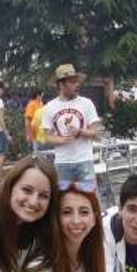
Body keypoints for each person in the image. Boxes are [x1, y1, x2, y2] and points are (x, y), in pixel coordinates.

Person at [20, 186, 107, 272]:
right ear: (55, 219)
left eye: (84, 212)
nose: (76, 220)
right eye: (67, 212)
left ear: (94, 219)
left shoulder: (93, 259)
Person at [41, 64, 101, 197]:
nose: (77, 84)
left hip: (84, 161)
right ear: (61, 84)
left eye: (77, 81)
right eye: (72, 82)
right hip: (62, 163)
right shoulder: (49, 107)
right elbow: (46, 136)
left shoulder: (87, 103)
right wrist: (59, 140)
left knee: (90, 198)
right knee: (62, 200)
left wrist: (80, 132)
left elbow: (96, 132)